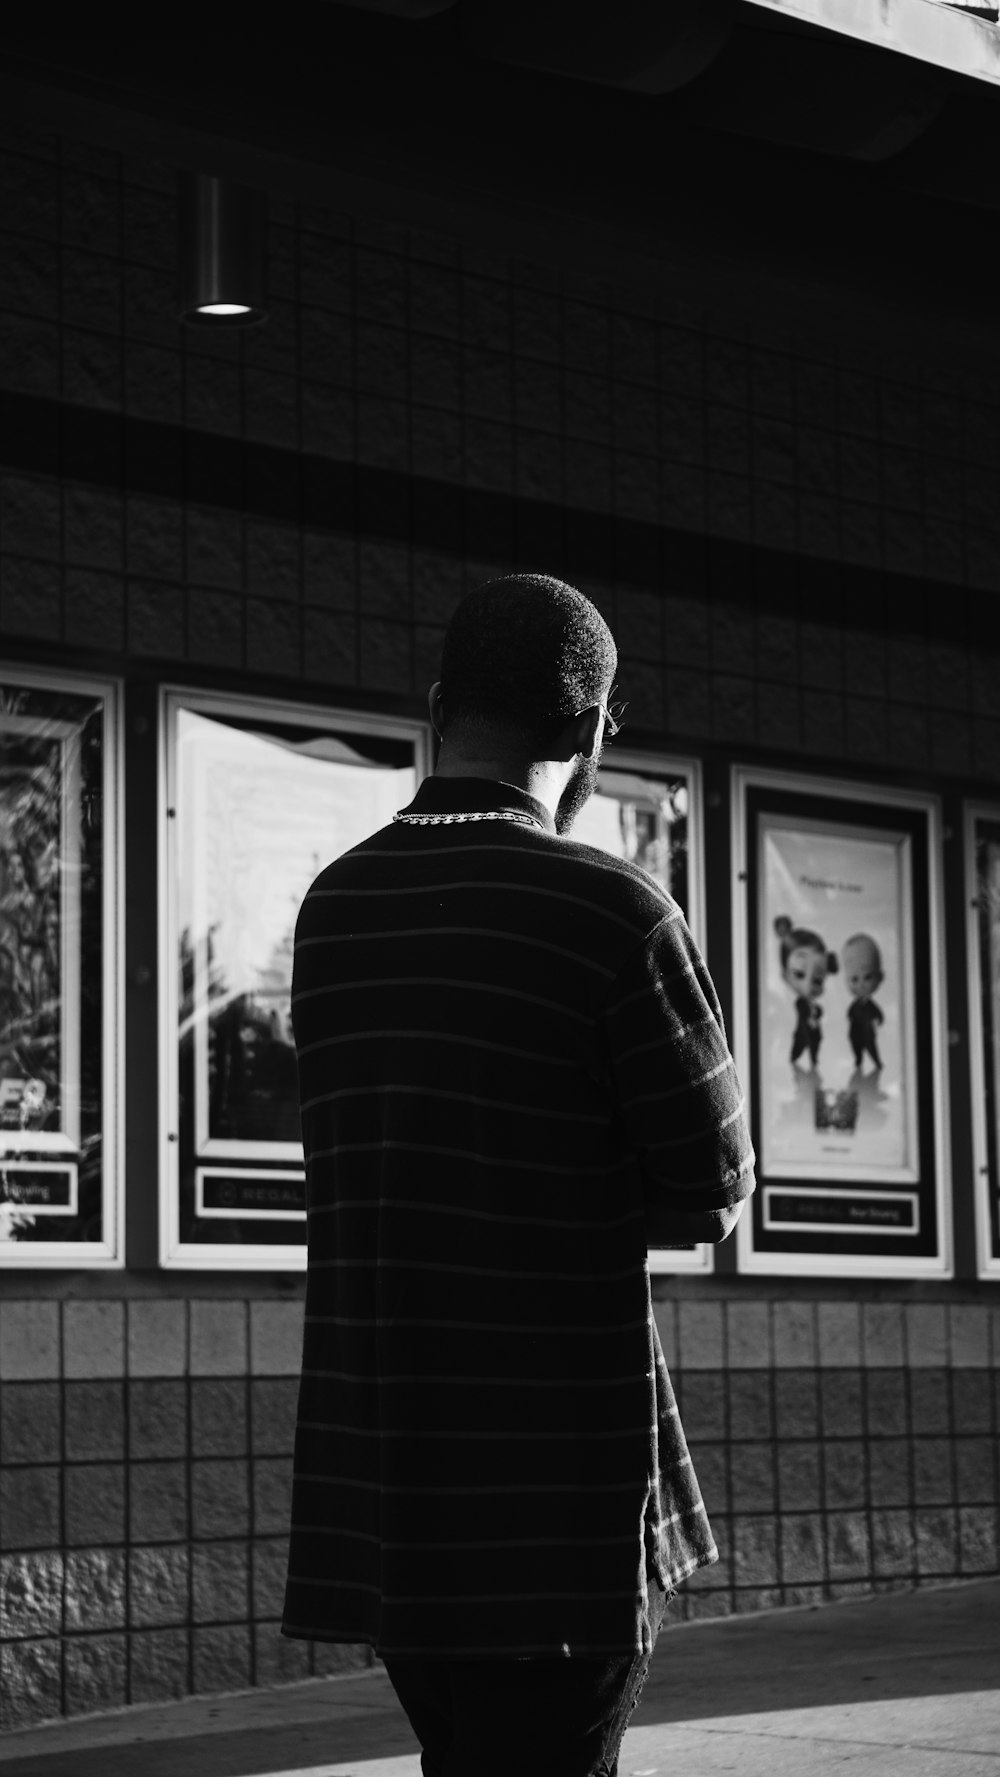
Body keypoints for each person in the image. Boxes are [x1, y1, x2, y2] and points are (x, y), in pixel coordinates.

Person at [282, 573, 755, 1777]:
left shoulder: (334, 909)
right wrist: (577, 1198)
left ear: (437, 706)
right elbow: (712, 1187)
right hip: (555, 1495)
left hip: (388, 1487)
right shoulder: (613, 912)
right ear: (595, 733)